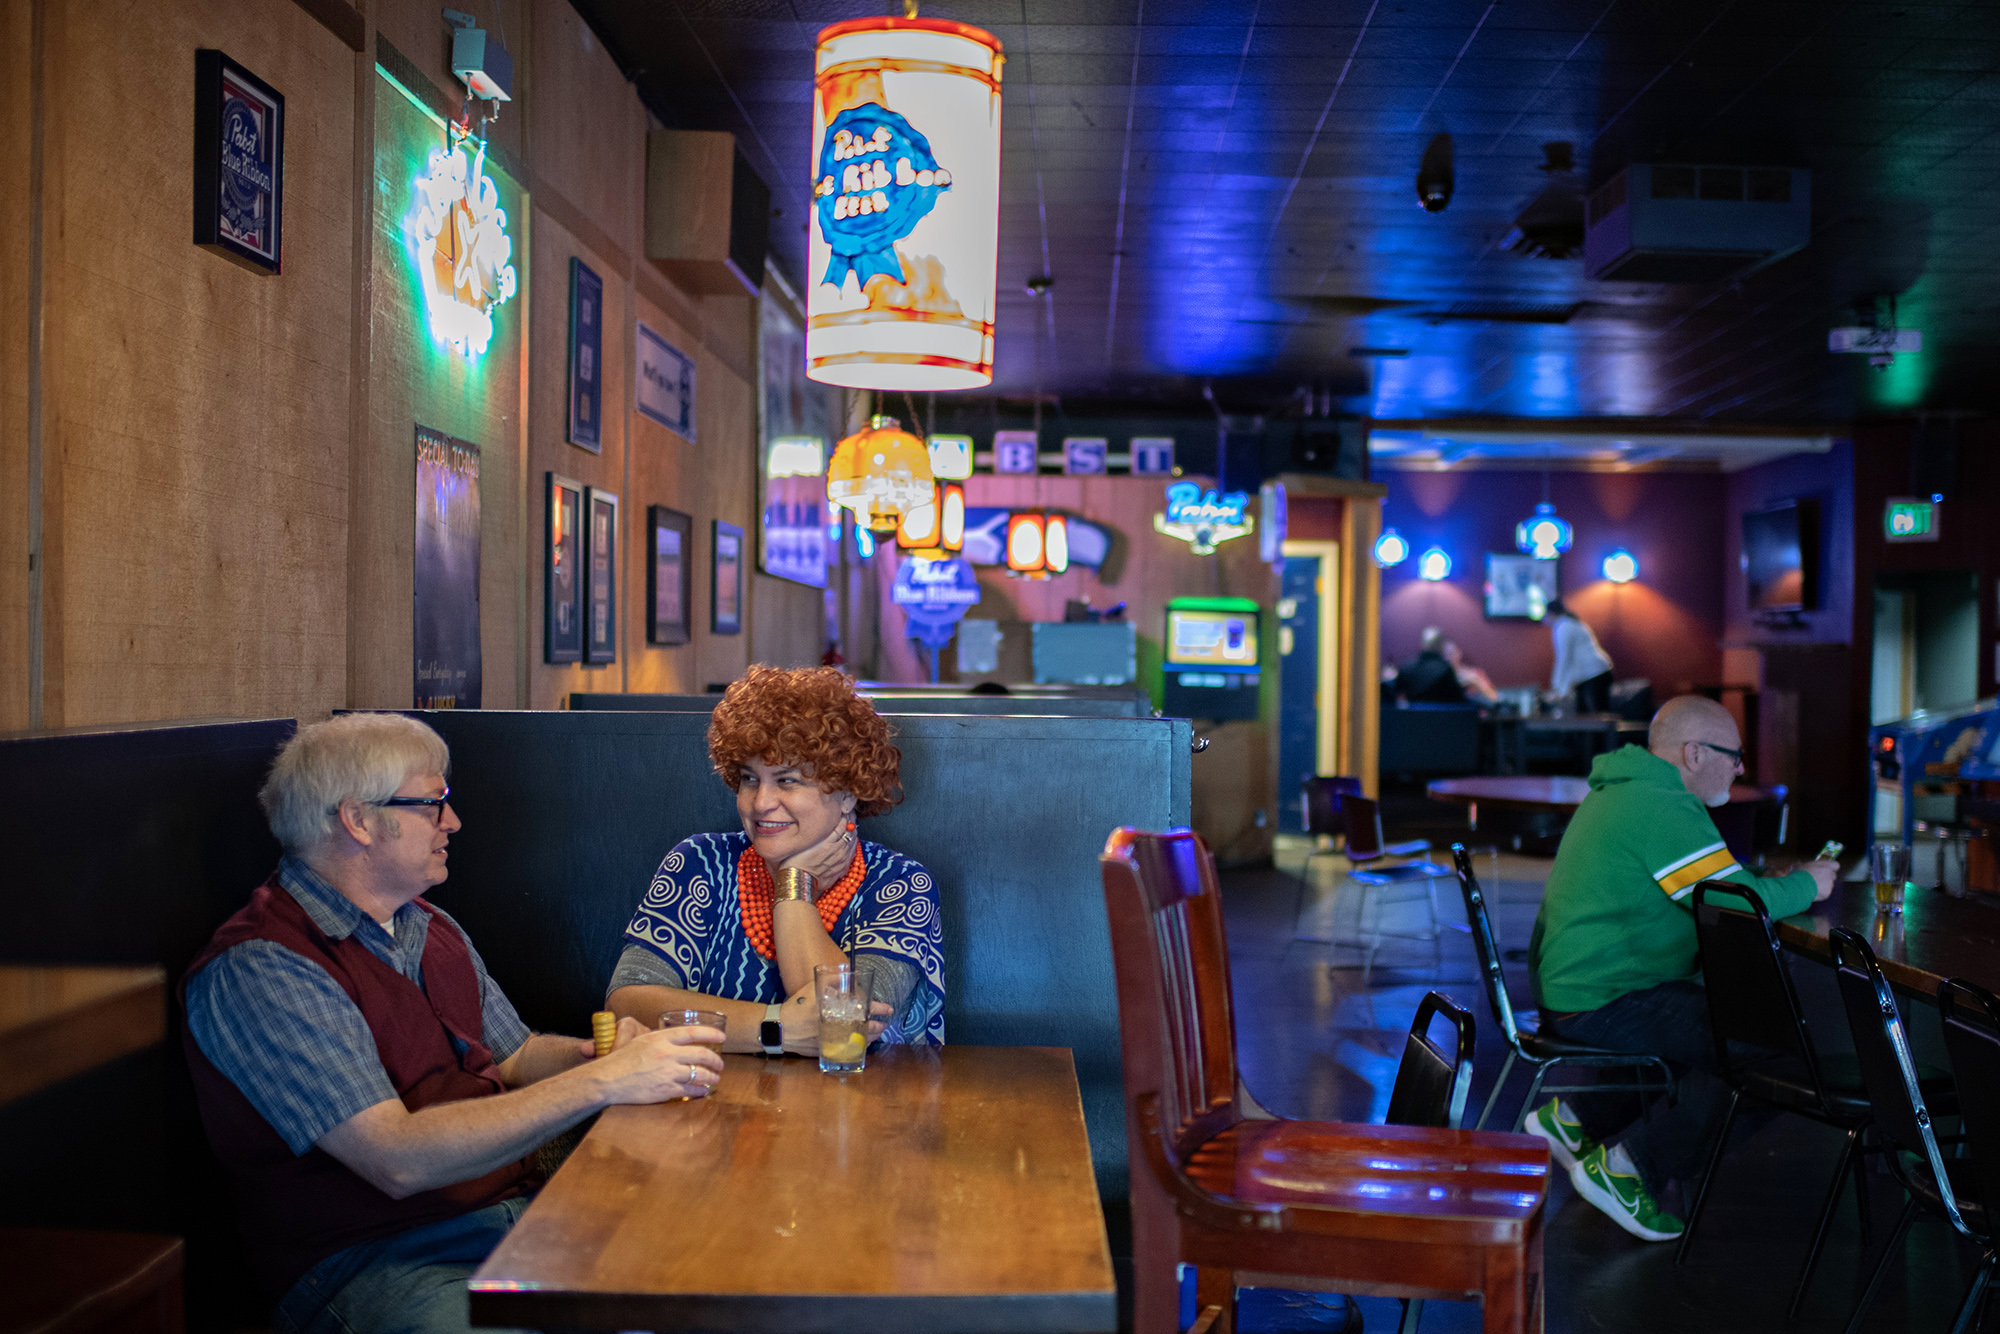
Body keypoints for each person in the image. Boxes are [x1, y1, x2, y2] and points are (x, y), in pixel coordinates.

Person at [183, 713, 725, 1334]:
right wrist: (602, 1085)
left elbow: (515, 1056)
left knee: (705, 1293)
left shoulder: (427, 925)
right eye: (432, 804)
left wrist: (601, 1056)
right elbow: (396, 1160)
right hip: (374, 1262)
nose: (453, 822)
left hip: (514, 1219)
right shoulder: (263, 966)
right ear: (358, 820)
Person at [1523, 695, 1836, 1242]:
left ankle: (1574, 1123)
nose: (1740, 769)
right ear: (1694, 753)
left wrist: (1763, 879)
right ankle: (1627, 1170)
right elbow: (1735, 903)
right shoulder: (1661, 805)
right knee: (1775, 1055)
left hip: (1576, 987)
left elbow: (1715, 882)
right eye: (1734, 756)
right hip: (1602, 1000)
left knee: (1709, 1022)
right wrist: (1809, 884)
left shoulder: (1630, 789)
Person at [606, 665, 945, 1052]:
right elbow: (627, 1006)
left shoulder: (898, 883)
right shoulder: (701, 862)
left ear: (848, 792)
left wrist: (794, 883)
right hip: (710, 1105)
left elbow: (843, 1034)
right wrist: (775, 1028)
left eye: (787, 780)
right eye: (750, 779)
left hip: (854, 1108)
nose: (761, 803)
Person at [1546, 597, 1614, 713]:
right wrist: (1561, 688)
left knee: (1595, 718)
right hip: (1597, 673)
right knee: (1588, 716)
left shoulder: (1563, 626)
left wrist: (1557, 688)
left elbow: (1564, 659)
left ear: (1551, 614)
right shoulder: (1573, 623)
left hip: (1594, 674)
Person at [1394, 627, 1467, 704]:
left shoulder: (1407, 667)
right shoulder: (1446, 669)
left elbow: (1396, 697)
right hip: (1441, 715)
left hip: (1411, 715)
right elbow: (1458, 701)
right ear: (1441, 645)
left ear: (1423, 644)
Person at [1442, 637, 1499, 705]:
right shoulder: (1440, 678)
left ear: (1458, 653)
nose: (1448, 658)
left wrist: (1476, 681)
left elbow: (1495, 698)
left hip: (1475, 711)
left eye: (1451, 653)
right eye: (1445, 655)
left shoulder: (1475, 674)